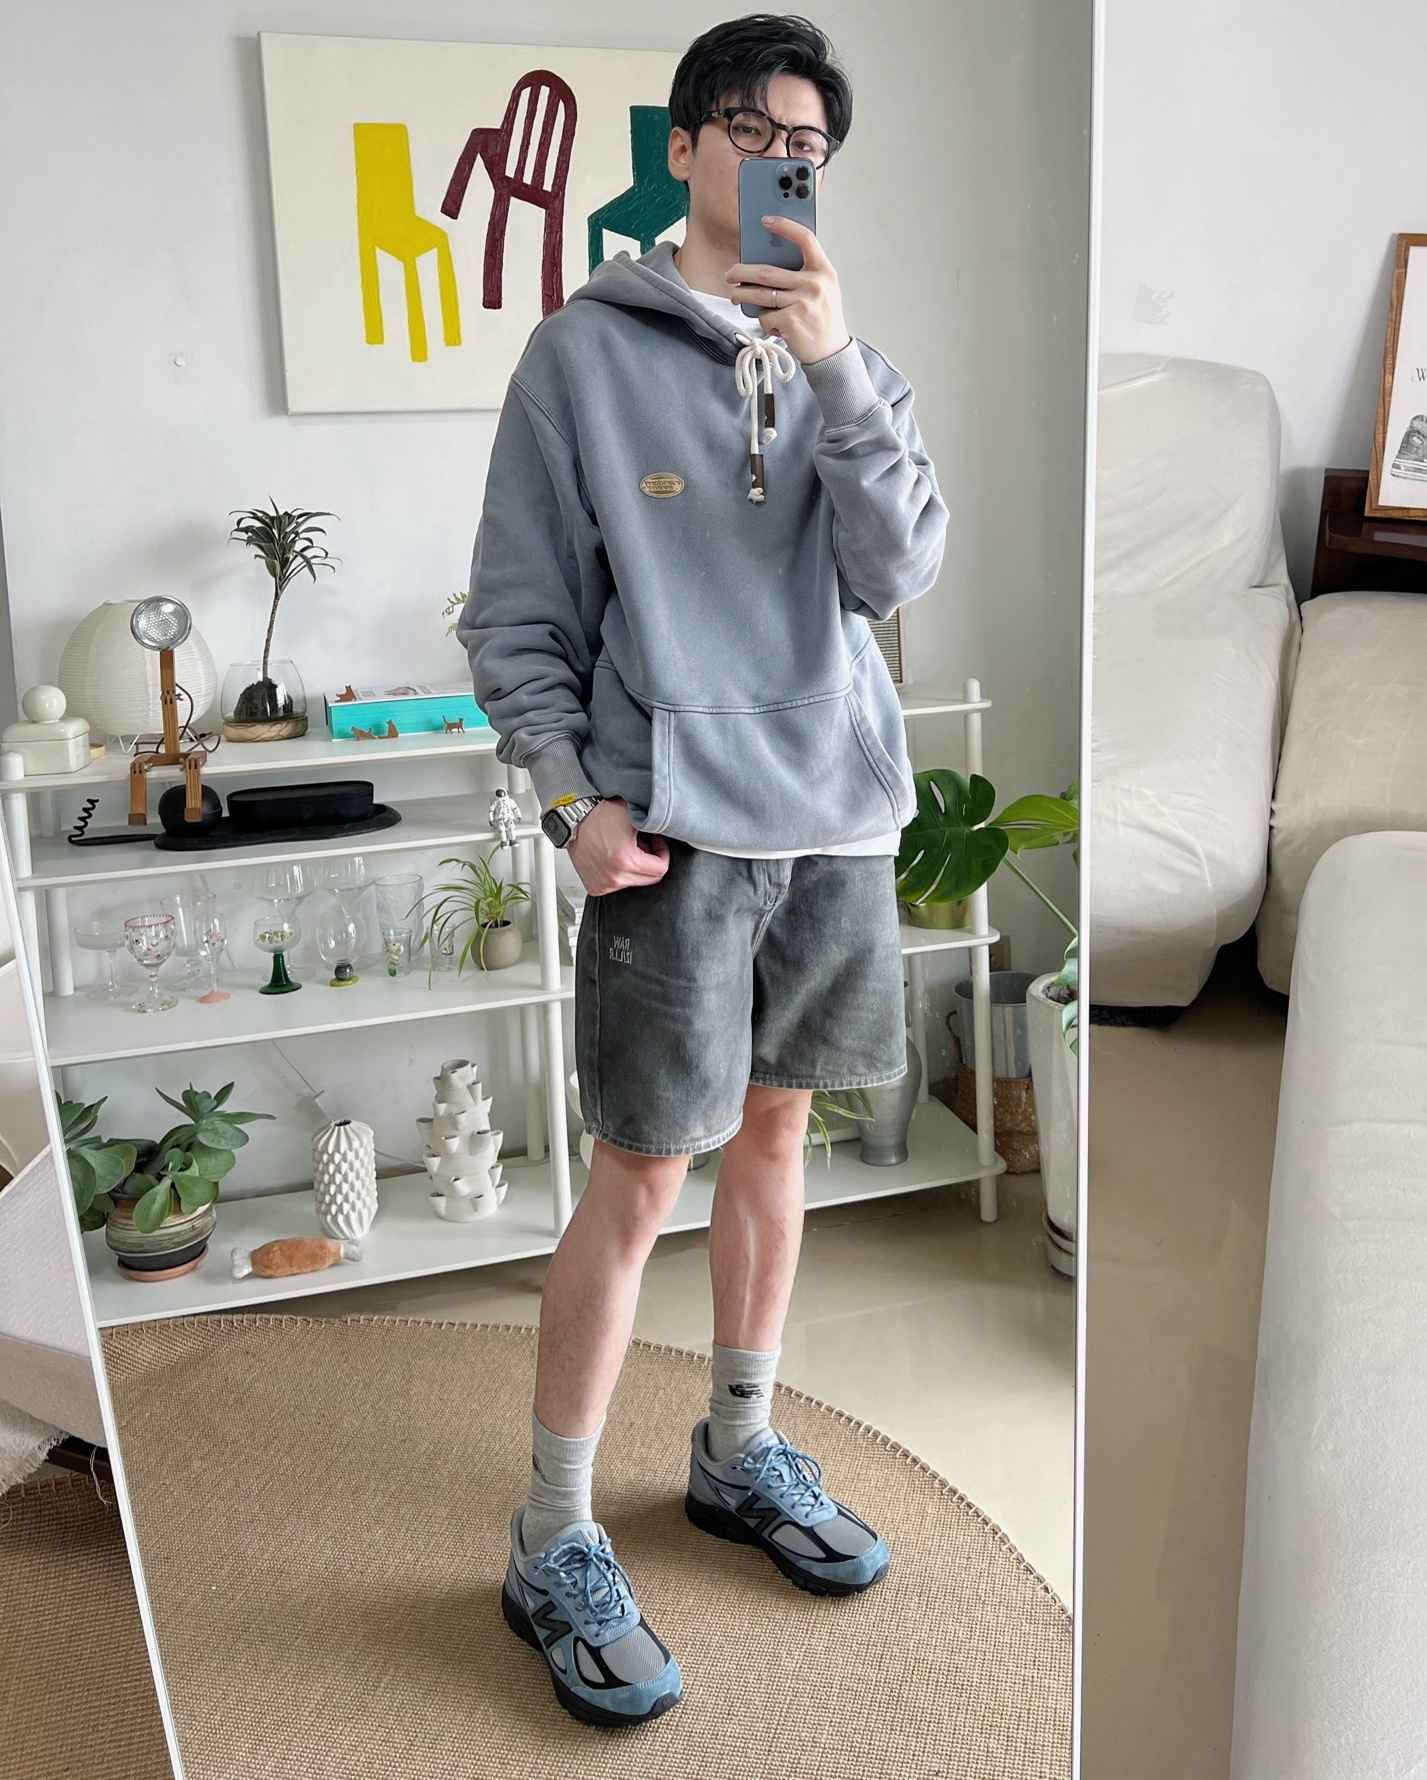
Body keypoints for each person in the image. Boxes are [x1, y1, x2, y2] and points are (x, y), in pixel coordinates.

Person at [460, 12, 949, 1729]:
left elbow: (898, 571)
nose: (776, 157)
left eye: (803, 139)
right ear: (682, 148)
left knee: (781, 1134)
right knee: (639, 1174)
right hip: (669, 828)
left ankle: (739, 1444)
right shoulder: (580, 356)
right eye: (746, 127)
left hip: (835, 820)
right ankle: (552, 1528)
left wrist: (834, 368)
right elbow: (516, 613)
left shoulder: (850, 355)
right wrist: (570, 804)